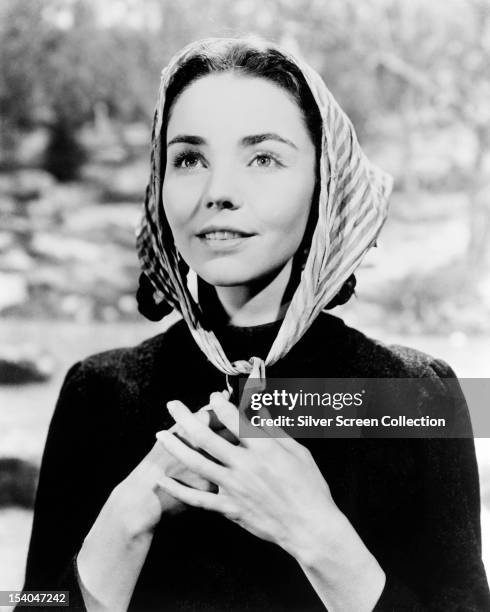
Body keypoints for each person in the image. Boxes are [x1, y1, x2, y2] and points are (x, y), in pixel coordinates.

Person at [20, 37, 489, 611]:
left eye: (263, 158)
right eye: (189, 159)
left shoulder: (415, 395)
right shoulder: (98, 391)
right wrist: (125, 522)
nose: (218, 193)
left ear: (325, 183)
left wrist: (319, 537)